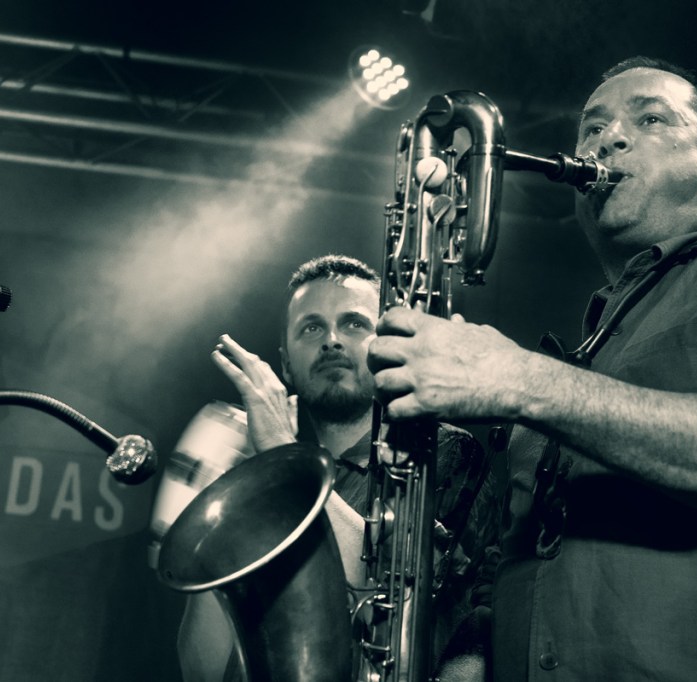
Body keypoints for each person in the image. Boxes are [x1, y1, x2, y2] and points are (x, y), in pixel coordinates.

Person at [367, 56, 697, 681]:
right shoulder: (577, 357)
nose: (606, 140)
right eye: (592, 127)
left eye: (650, 119)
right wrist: (470, 656)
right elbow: (520, 566)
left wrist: (519, 379)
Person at [175, 254, 490, 681]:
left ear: (387, 347)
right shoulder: (268, 475)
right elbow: (203, 672)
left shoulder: (443, 451)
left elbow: (395, 596)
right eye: (311, 328)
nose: (332, 341)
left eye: (354, 323)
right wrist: (236, 497)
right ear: (286, 364)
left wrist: (283, 458)